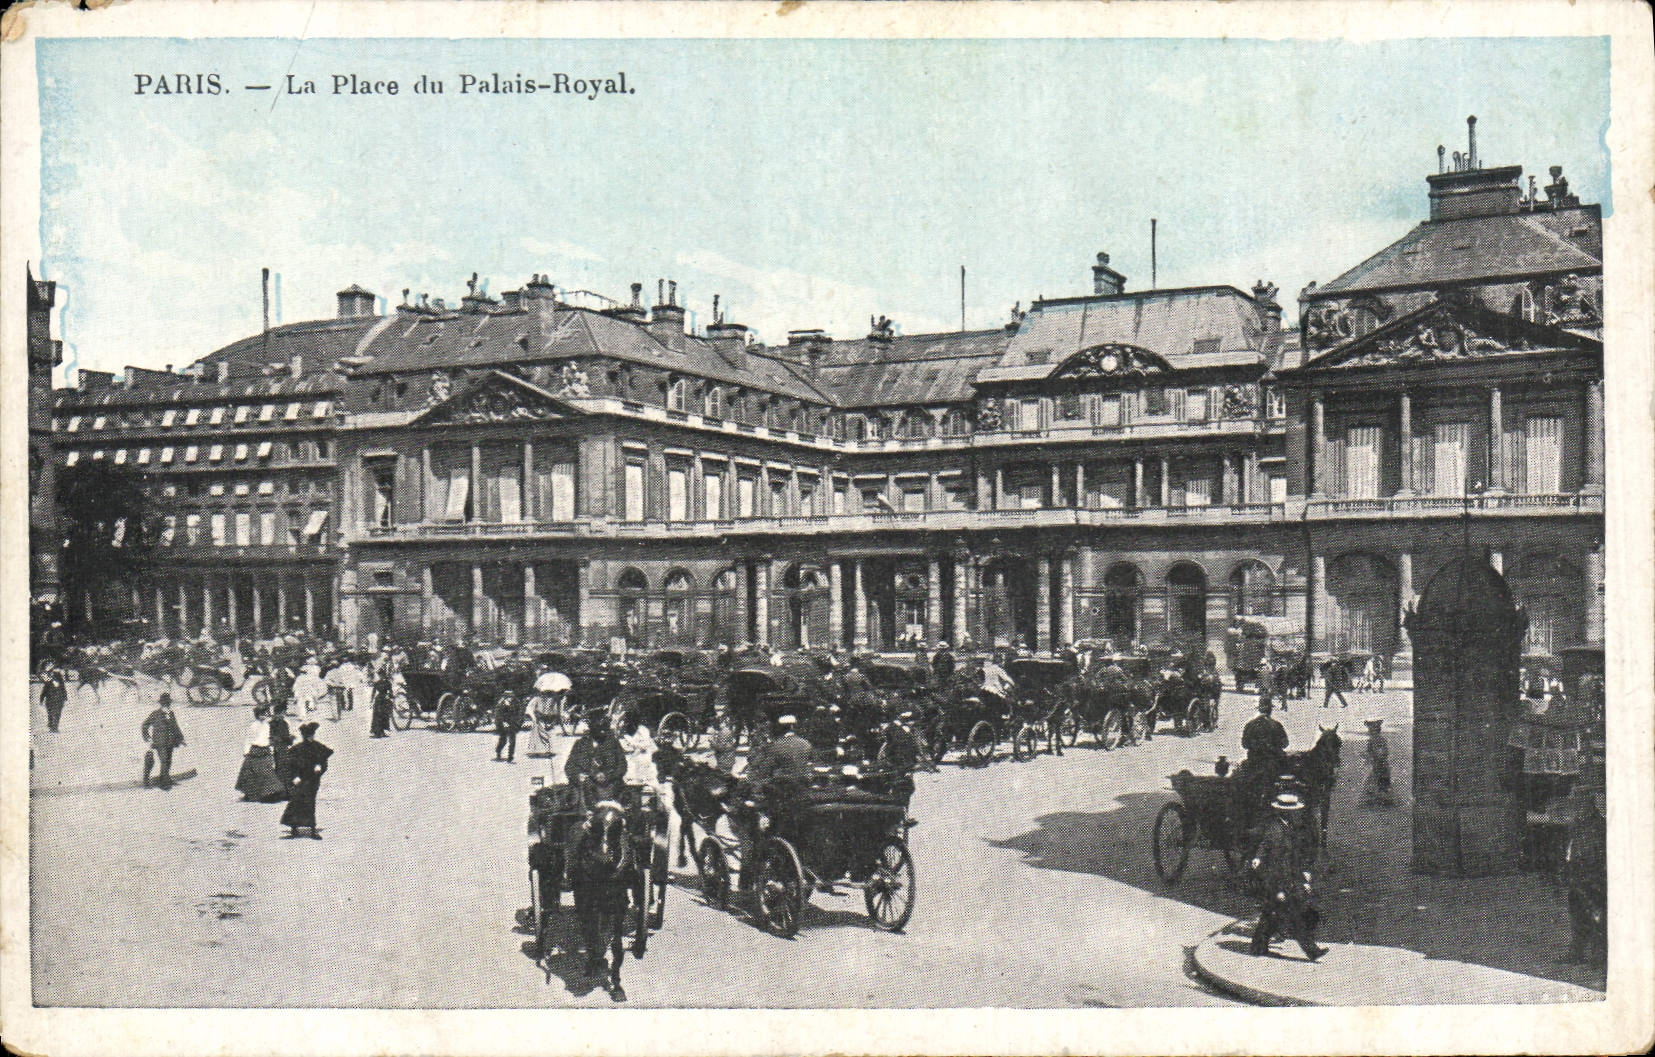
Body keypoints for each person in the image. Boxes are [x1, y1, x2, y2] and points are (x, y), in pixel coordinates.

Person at [1247, 792, 1327, 962]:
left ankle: (1257, 946)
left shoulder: (1289, 826)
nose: (1295, 813)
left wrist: (1303, 878)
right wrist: (1277, 889)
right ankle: (1312, 951)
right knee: (1293, 917)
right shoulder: (1275, 829)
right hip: (1277, 880)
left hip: (1287, 879)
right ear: (1285, 811)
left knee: (1271, 916)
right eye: (1292, 810)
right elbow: (1272, 860)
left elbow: (1293, 858)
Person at [738, 714, 815, 890]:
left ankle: (759, 863)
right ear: (794, 727)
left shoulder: (776, 747)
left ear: (780, 728)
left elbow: (762, 775)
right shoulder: (806, 744)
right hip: (805, 800)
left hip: (782, 800)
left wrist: (754, 795)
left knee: (758, 831)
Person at [280, 722, 333, 839]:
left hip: (312, 779)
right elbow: (290, 765)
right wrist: (294, 777)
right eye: (308, 735)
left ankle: (312, 829)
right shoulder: (297, 749)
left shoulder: (317, 747)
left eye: (312, 735)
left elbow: (326, 754)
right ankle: (294, 829)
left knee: (310, 803)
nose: (311, 737)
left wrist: (320, 767)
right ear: (304, 736)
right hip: (300, 779)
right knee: (296, 801)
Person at [565, 707, 627, 806]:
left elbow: (622, 766)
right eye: (597, 724)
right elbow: (569, 767)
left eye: (604, 725)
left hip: (610, 786)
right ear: (591, 726)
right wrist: (577, 775)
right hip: (585, 790)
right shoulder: (580, 744)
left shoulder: (613, 743)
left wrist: (607, 775)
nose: (601, 730)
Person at [235, 704, 285, 802]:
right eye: (261, 714)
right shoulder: (253, 726)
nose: (263, 716)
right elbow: (248, 739)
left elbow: (267, 737)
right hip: (255, 750)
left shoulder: (267, 725)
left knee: (267, 772)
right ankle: (249, 795)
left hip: (265, 750)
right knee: (250, 773)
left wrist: (271, 745)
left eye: (265, 714)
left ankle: (270, 793)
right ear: (257, 715)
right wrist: (246, 751)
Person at [141, 693, 187, 790]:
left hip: (170, 742)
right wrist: (147, 737)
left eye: (168, 703)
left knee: (169, 761)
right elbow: (145, 725)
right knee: (164, 761)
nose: (167, 705)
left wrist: (181, 738)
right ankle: (164, 783)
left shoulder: (171, 713)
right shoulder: (155, 714)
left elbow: (175, 727)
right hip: (159, 743)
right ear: (161, 704)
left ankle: (165, 778)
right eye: (165, 703)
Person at [1358, 718, 1395, 807]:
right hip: (1382, 765)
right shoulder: (1381, 740)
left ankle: (1377, 801)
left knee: (1373, 782)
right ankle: (1384, 800)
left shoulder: (1373, 741)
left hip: (1378, 766)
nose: (1369, 733)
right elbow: (1383, 752)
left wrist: (1365, 757)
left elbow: (1375, 754)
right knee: (1383, 783)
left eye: (1370, 730)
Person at [268, 702, 294, 796]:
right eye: (283, 712)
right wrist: (290, 739)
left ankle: (281, 790)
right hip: (281, 748)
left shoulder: (271, 723)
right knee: (284, 768)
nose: (284, 714)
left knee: (280, 768)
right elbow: (284, 737)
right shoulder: (282, 723)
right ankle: (285, 791)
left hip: (278, 748)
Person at [493, 690, 525, 763]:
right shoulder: (501, 704)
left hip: (512, 723)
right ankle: (498, 751)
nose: (510, 698)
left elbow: (520, 712)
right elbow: (498, 715)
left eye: (511, 697)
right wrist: (502, 722)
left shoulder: (516, 703)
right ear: (505, 697)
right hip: (503, 724)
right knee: (503, 740)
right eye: (509, 697)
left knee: (512, 741)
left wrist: (518, 722)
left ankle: (510, 757)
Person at [368, 656, 394, 738]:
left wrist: (389, 697)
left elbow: (391, 692)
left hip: (383, 700)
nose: (381, 676)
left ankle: (382, 731)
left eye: (382, 675)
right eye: (380, 675)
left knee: (383, 715)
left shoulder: (386, 683)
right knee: (378, 715)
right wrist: (371, 701)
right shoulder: (379, 683)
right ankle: (378, 731)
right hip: (379, 700)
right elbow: (373, 692)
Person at [40, 663, 68, 733]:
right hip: (51, 697)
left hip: (57, 697)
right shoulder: (47, 676)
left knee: (56, 712)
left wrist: (65, 696)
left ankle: (54, 727)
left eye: (51, 666)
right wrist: (42, 698)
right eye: (48, 666)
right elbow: (45, 688)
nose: (50, 667)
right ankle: (52, 725)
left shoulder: (57, 676)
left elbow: (62, 686)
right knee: (52, 712)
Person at [709, 710, 740, 775]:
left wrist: (712, 742)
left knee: (724, 777)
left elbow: (720, 748)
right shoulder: (722, 731)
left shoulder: (724, 732)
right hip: (724, 759)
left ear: (717, 723)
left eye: (713, 725)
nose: (713, 727)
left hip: (725, 760)